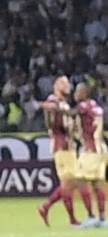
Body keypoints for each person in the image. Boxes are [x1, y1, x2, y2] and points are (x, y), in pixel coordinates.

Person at [36, 76, 83, 228]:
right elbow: (49, 106)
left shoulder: (64, 104)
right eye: (64, 83)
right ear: (56, 85)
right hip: (61, 146)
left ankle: (46, 207)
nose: (68, 85)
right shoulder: (53, 100)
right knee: (70, 182)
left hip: (68, 146)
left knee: (69, 183)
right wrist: (42, 105)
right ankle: (71, 219)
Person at [71, 82, 108, 228]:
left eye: (78, 91)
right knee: (97, 184)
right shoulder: (96, 107)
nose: (75, 93)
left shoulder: (83, 106)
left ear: (85, 94)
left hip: (90, 150)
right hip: (101, 149)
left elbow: (71, 113)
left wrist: (57, 108)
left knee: (80, 179)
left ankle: (91, 216)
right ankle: (103, 219)